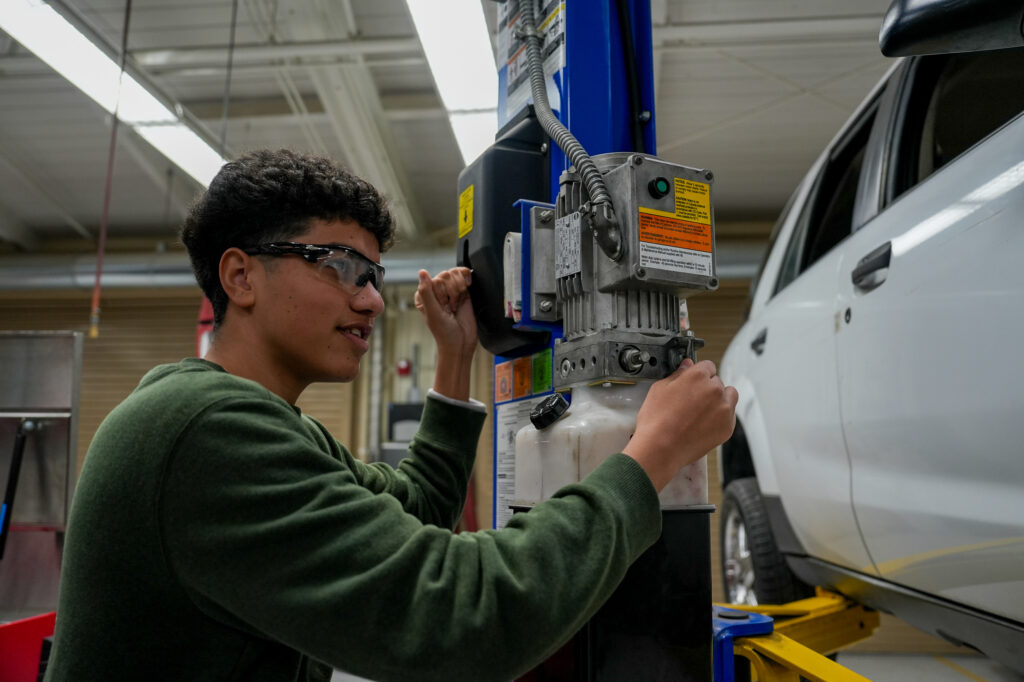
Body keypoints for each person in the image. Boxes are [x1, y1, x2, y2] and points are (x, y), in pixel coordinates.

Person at [45, 149, 738, 681]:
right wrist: (650, 458)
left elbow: (411, 513)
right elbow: (459, 616)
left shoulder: (251, 420)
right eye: (341, 266)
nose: (373, 300)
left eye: (373, 276)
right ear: (240, 276)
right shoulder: (205, 432)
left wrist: (454, 357)